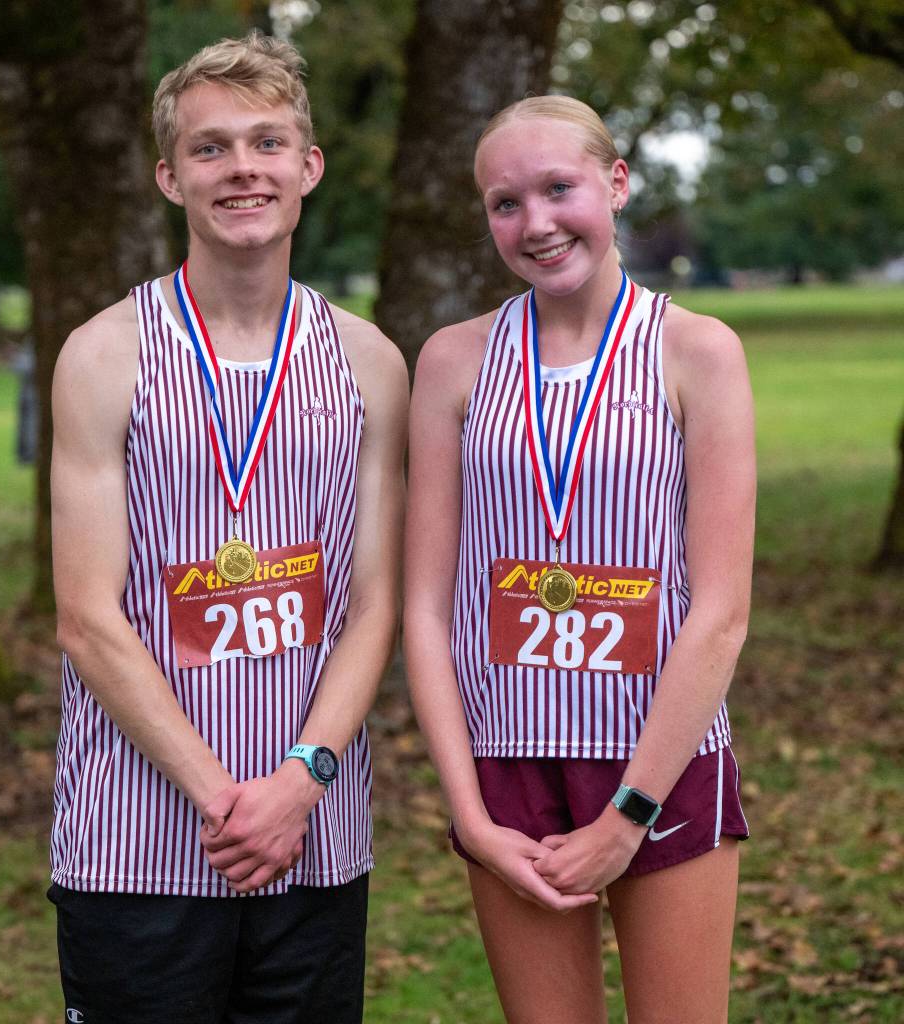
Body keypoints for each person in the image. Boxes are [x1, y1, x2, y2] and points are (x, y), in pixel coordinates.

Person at [48, 31, 408, 1024]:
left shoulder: (370, 362)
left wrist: (300, 783)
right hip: (141, 845)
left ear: (308, 165)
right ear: (170, 176)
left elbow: (375, 602)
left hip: (314, 839)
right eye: (211, 148)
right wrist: (226, 798)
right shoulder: (103, 355)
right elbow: (85, 617)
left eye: (266, 142)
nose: (241, 167)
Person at [404, 95, 753, 1024]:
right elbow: (426, 612)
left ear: (616, 183)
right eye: (504, 204)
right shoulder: (452, 361)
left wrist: (627, 815)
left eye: (560, 189)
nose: (537, 224)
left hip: (658, 763)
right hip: (506, 766)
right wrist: (472, 816)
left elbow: (719, 611)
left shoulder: (698, 353)